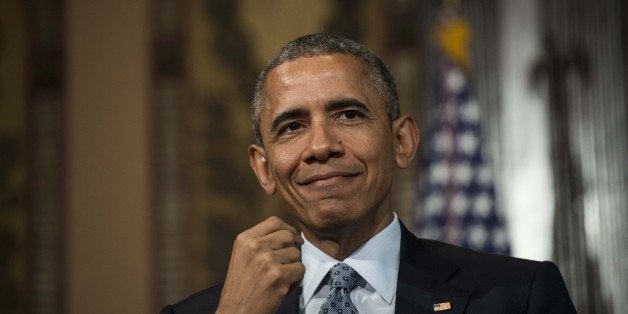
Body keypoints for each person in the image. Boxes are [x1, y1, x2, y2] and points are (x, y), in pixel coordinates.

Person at [161, 33, 575, 314]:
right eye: (292, 126)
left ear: (402, 142)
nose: (321, 146)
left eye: (348, 114)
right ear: (264, 167)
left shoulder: (519, 297)